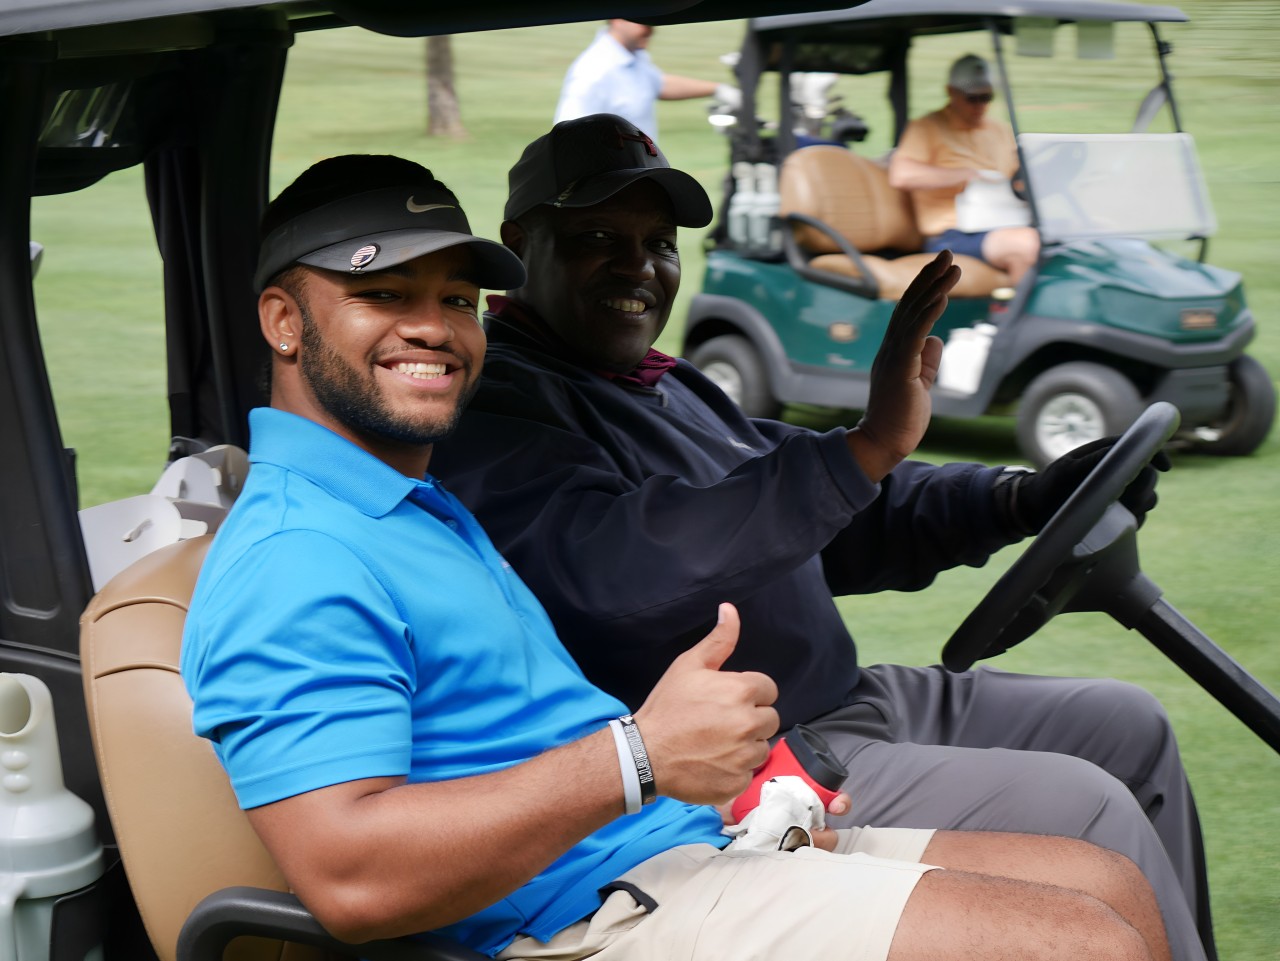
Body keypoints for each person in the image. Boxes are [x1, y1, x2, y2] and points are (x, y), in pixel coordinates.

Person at [179, 153, 1176, 961]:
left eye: (455, 298)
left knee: (1104, 886)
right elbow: (350, 880)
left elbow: (802, 495)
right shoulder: (294, 554)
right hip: (589, 914)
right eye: (383, 293)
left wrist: (1007, 494)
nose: (432, 328)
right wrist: (639, 758)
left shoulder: (406, 500)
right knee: (1079, 939)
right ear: (282, 319)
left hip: (683, 842)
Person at [428, 114, 1217, 961]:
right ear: (519, 242)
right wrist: (863, 448)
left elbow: (834, 506)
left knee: (1125, 722)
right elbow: (620, 569)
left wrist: (1017, 497)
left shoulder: (670, 386)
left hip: (846, 697)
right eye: (596, 237)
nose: (637, 267)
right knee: (1087, 804)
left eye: (658, 242)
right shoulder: (499, 406)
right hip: (763, 757)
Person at [888, 54, 1040, 284]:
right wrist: (963, 174)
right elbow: (901, 176)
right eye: (972, 98)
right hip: (953, 235)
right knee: (1026, 244)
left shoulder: (1000, 130)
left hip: (1006, 221)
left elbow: (1017, 178)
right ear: (951, 92)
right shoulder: (927, 128)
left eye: (986, 97)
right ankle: (1024, 318)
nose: (980, 105)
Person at [554, 19, 736, 141]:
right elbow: (569, 136)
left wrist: (719, 89)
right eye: (643, 21)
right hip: (612, 185)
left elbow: (658, 83)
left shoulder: (634, 56)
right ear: (618, 20)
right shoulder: (594, 70)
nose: (651, 29)